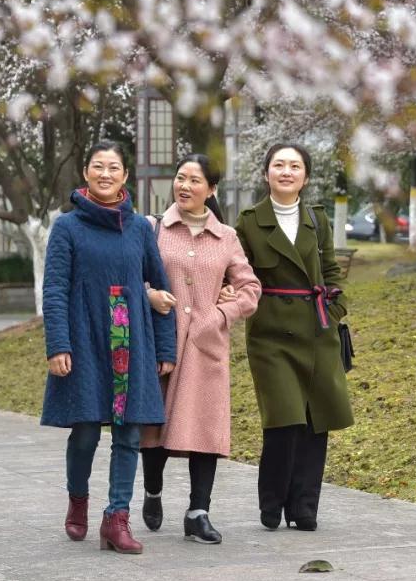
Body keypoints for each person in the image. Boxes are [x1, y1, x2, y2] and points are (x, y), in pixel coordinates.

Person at [41, 141, 176, 555]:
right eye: (98, 166)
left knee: (129, 434)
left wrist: (164, 348)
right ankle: (77, 499)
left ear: (124, 175)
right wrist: (58, 344)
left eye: (113, 167)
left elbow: (160, 289)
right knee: (84, 432)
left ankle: (117, 518)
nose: (105, 173)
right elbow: (55, 289)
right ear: (86, 172)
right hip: (86, 339)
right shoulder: (67, 227)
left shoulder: (138, 228)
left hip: (131, 342)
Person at [141, 154, 260, 545]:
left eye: (195, 180)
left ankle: (198, 512)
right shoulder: (153, 229)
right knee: (154, 428)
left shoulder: (226, 237)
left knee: (206, 428)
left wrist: (219, 314)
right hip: (162, 341)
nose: (185, 186)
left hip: (206, 347)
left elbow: (250, 289)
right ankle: (153, 491)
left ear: (211, 190)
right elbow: (132, 278)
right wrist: (149, 295)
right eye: (180, 178)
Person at [234, 143, 353, 531]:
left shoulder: (317, 219)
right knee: (284, 421)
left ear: (305, 175)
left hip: (317, 331)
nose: (287, 172)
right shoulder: (249, 221)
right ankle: (272, 502)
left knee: (316, 422)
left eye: (295, 166)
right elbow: (237, 273)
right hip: (270, 336)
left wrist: (335, 310)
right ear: (266, 173)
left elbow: (331, 270)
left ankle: (304, 509)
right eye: (279, 165)